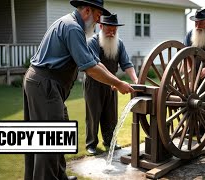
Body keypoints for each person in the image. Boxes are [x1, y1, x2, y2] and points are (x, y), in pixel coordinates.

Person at [23, 0, 134, 179]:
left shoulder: (72, 25)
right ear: (87, 11)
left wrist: (114, 81)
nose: (99, 22)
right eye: (98, 16)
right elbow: (90, 69)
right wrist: (119, 83)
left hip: (43, 83)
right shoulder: (73, 28)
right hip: (45, 85)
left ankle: (60, 176)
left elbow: (95, 62)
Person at [84, 14, 138, 155]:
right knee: (93, 114)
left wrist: (135, 79)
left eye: (114, 30)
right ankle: (91, 144)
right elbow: (97, 65)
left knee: (111, 114)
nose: (112, 33)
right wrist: (115, 80)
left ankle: (109, 141)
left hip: (112, 84)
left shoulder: (119, 43)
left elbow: (127, 64)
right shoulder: (92, 43)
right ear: (101, 27)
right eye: (109, 29)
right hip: (94, 83)